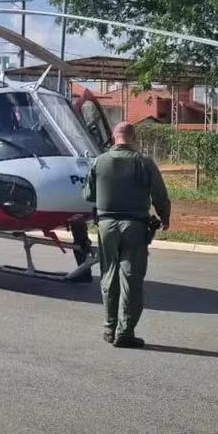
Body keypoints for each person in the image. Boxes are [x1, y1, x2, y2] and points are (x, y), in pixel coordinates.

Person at [82, 121, 171, 348]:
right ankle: (126, 331)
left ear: (114, 137)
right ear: (133, 137)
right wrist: (164, 216)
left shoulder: (98, 161)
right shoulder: (144, 163)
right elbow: (160, 195)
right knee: (131, 278)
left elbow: (88, 195)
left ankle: (109, 327)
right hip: (135, 225)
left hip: (106, 225)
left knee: (108, 275)